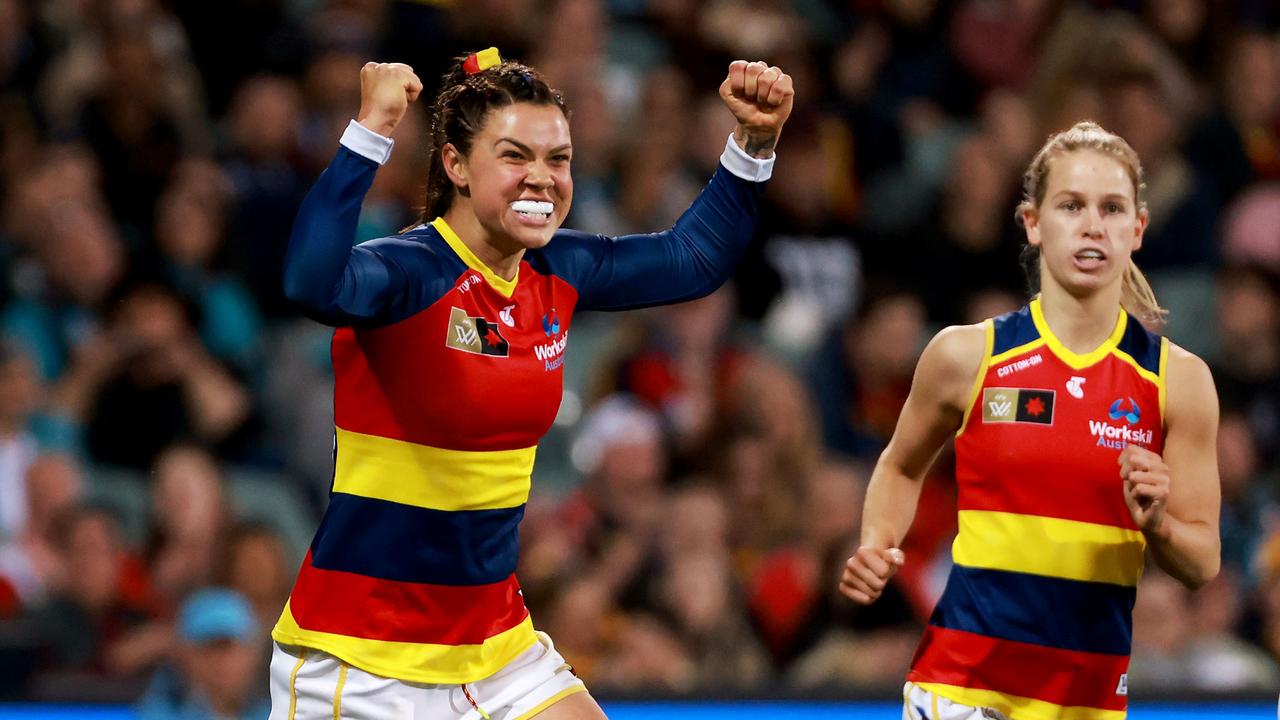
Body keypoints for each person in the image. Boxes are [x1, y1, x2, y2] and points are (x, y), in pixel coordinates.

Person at [270, 48, 793, 719]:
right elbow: (309, 283)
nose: (542, 179)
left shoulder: (558, 270)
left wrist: (753, 142)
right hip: (364, 661)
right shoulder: (409, 274)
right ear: (456, 166)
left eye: (559, 159)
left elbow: (692, 260)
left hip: (494, 647)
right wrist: (369, 130)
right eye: (515, 156)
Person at [839, 121, 1221, 720]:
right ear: (1033, 223)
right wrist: (876, 542)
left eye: (1112, 208)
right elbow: (901, 466)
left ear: (1138, 230)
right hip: (961, 691)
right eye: (1071, 205)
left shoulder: (1180, 381)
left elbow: (1203, 561)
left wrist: (1159, 524)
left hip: (1086, 704)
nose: (1093, 224)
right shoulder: (967, 355)